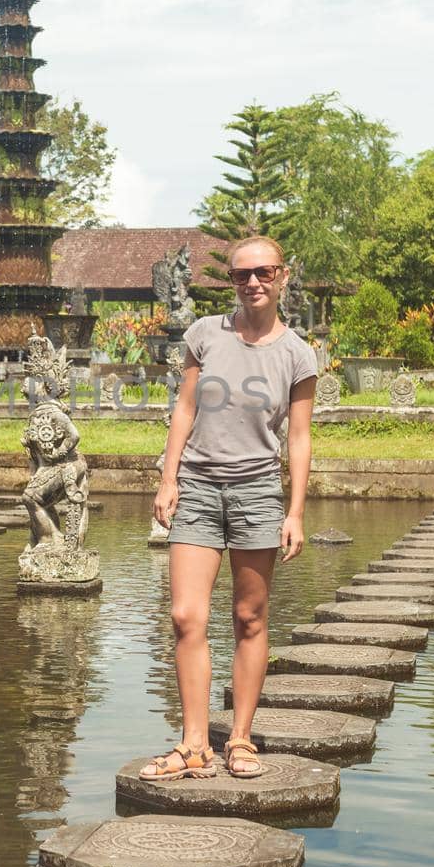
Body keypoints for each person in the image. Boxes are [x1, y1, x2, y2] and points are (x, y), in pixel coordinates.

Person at [139, 236, 317, 781]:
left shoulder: (297, 353)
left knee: (249, 617)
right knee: (185, 616)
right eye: (242, 275)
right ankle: (194, 744)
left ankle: (240, 738)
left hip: (257, 491)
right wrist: (167, 478)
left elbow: (300, 438)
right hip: (197, 484)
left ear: (283, 276)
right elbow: (185, 408)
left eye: (264, 273)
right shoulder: (204, 335)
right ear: (232, 282)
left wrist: (295, 511)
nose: (253, 283)